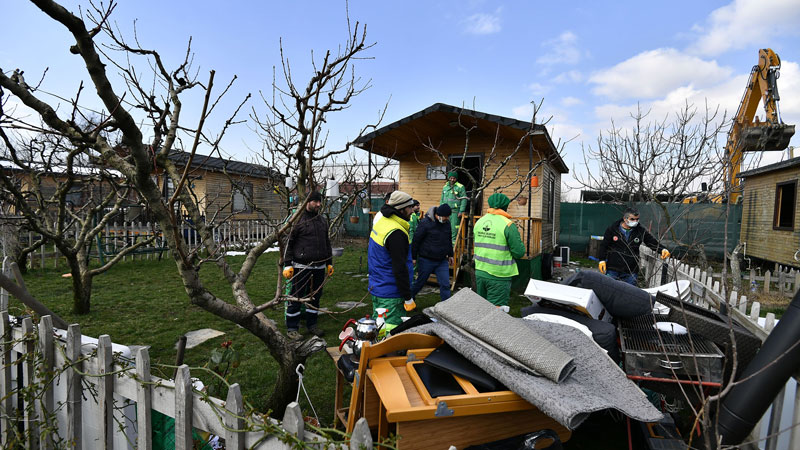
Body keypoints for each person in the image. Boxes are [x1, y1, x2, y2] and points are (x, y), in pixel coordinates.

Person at [282, 191, 334, 340]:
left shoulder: (322, 221)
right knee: (296, 297)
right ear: (307, 202)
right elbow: (288, 243)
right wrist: (287, 264)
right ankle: (292, 328)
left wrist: (329, 263)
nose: (319, 204)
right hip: (301, 266)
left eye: (320, 201)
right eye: (315, 201)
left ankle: (312, 325)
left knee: (315, 297)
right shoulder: (297, 220)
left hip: (319, 267)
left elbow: (327, 243)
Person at [368, 190, 417, 330]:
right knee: (391, 332)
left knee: (379, 327)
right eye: (410, 207)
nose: (412, 211)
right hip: (391, 293)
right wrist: (407, 297)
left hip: (377, 286)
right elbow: (399, 268)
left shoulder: (382, 221)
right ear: (401, 209)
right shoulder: (396, 233)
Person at [473, 193, 525, 307]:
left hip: (480, 272)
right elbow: (519, 252)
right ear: (505, 206)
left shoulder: (479, 222)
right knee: (496, 313)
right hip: (499, 276)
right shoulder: (508, 225)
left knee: (481, 308)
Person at [598, 207, 670, 286]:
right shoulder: (613, 229)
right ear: (625, 219)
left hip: (631, 271)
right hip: (613, 269)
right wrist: (602, 260)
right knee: (609, 290)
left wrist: (662, 249)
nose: (635, 221)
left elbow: (651, 242)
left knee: (630, 294)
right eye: (632, 219)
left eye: (637, 219)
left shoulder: (640, 231)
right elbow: (604, 245)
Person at [411, 204, 454, 301]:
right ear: (438, 215)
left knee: (445, 284)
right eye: (445, 217)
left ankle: (446, 307)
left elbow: (448, 239)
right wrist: (413, 257)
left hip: (442, 260)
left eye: (448, 217)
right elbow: (416, 240)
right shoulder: (425, 223)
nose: (447, 219)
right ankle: (409, 299)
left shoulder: (447, 224)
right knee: (420, 282)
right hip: (426, 259)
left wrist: (451, 255)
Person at [440, 171, 467, 244]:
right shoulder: (445, 187)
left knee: (454, 230)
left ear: (456, 179)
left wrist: (461, 210)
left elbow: (464, 199)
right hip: (445, 212)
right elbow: (442, 199)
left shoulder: (460, 187)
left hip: (455, 212)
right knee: (444, 229)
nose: (452, 180)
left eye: (454, 178)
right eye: (451, 178)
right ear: (449, 178)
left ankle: (454, 248)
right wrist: (440, 211)